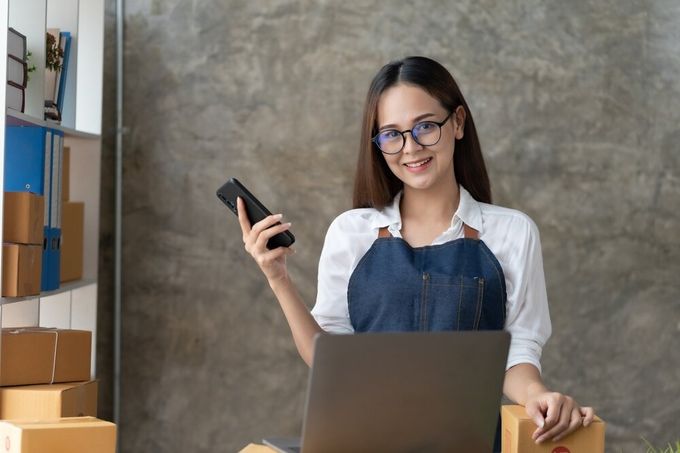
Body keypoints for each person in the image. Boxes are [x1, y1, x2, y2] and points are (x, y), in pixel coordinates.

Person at [237, 56, 594, 449]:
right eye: (391, 134)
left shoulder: (512, 232)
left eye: (425, 127)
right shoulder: (351, 231)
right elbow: (329, 359)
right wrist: (279, 279)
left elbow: (518, 351)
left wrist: (537, 397)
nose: (410, 148)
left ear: (458, 122)